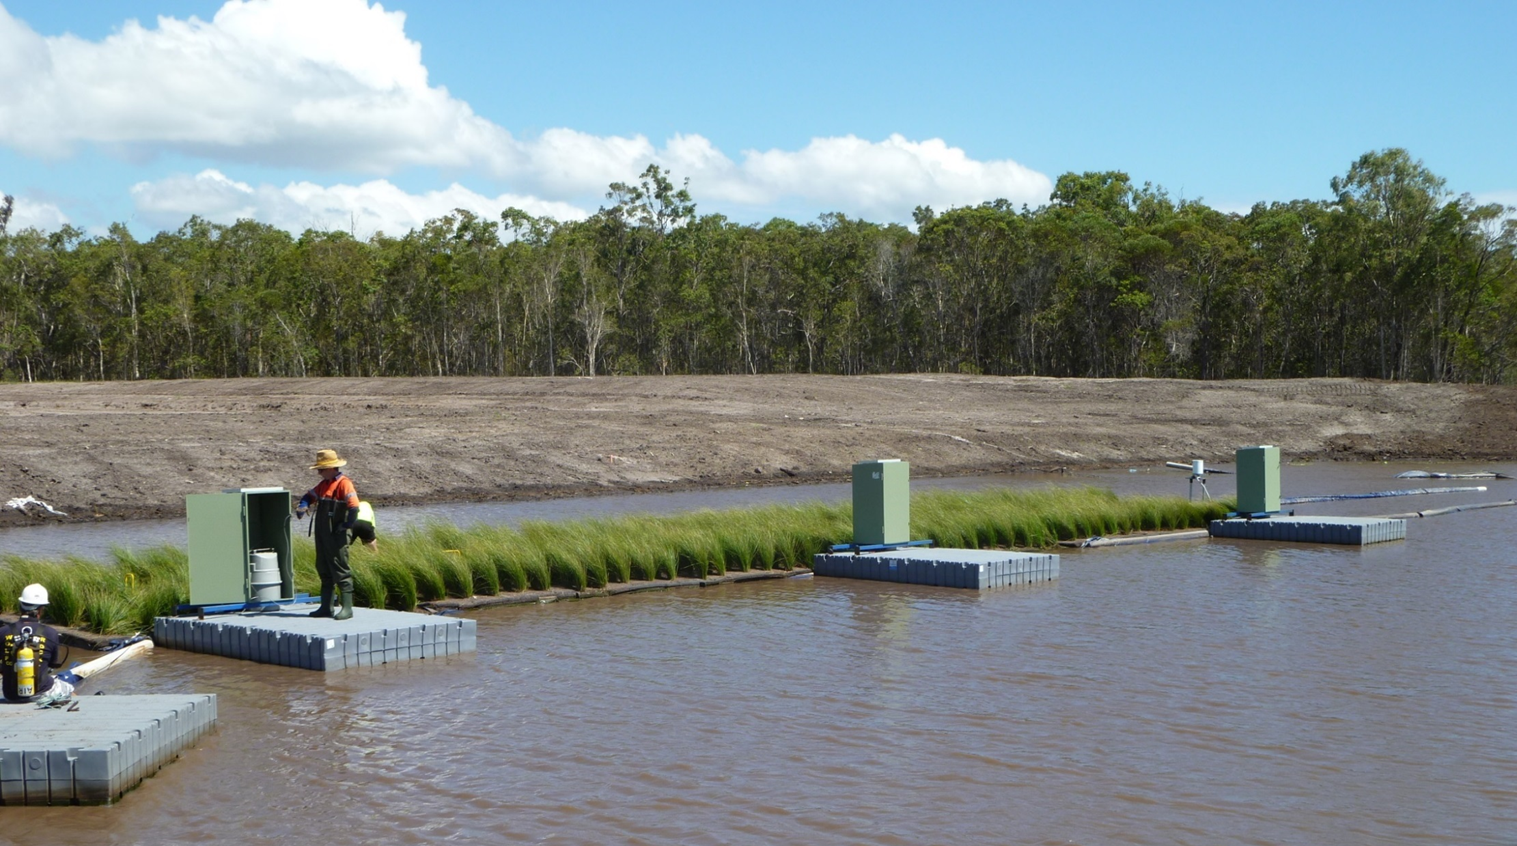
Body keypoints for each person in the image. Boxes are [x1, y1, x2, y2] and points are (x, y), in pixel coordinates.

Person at [295, 449, 361, 620]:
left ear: (332, 468)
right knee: (323, 568)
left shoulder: (344, 484)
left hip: (337, 536)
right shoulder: (324, 484)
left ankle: (347, 609)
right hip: (322, 535)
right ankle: (326, 607)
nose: (319, 472)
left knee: (340, 569)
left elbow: (354, 506)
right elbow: (309, 496)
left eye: (321, 469)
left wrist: (347, 525)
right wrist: (303, 505)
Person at [1, 584, 73, 705]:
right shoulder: (50, 633)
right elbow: (53, 664)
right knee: (68, 688)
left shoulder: (3, 632)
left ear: (20, 606)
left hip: (10, 695)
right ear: (40, 610)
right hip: (41, 692)